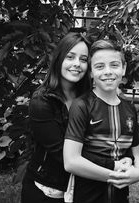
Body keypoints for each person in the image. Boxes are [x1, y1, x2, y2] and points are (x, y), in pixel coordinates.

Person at [64, 39, 139, 203]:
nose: (108, 72)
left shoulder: (130, 108)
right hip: (87, 196)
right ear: (91, 73)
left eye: (114, 65)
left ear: (124, 68)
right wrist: (114, 176)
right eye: (99, 67)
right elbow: (71, 162)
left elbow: (136, 155)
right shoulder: (82, 106)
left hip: (120, 196)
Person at [21, 31, 91, 203]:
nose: (77, 64)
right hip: (47, 189)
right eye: (70, 57)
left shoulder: (88, 97)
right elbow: (63, 155)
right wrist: (109, 166)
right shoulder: (42, 101)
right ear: (59, 59)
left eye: (83, 60)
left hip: (82, 187)